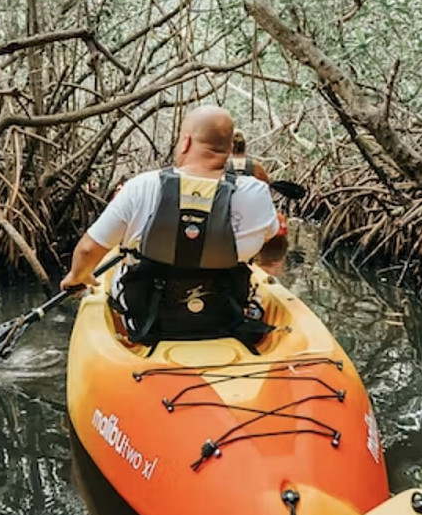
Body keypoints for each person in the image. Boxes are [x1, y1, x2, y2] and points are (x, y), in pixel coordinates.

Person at [60, 106, 280, 346]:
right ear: (229, 149)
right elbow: (268, 239)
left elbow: (88, 250)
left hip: (147, 323)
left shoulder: (141, 186)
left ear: (185, 142)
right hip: (225, 318)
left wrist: (76, 277)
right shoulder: (257, 192)